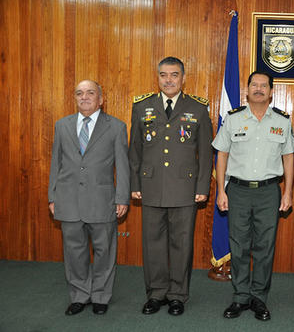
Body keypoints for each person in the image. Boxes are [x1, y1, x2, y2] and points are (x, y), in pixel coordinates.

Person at [128, 56, 213, 316]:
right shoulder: (142, 106)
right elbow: (135, 149)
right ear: (158, 77)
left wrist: (202, 187)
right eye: (164, 75)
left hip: (185, 187)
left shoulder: (197, 108)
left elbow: (206, 152)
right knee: (153, 243)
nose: (168, 80)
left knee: (182, 243)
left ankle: (177, 294)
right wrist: (135, 183)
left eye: (174, 75)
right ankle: (156, 294)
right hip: (151, 184)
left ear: (183, 78)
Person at [213, 71, 294, 321]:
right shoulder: (233, 119)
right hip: (237, 190)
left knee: (264, 246)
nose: (259, 89)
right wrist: (220, 191)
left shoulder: (282, 121)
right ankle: (240, 296)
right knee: (238, 245)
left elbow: (289, 157)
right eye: (254, 85)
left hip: (269, 191)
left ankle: (259, 297)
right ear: (247, 90)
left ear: (271, 92)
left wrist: (289, 192)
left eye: (264, 86)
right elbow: (222, 155)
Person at [48, 80, 130, 316]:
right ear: (75, 98)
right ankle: (79, 295)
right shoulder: (62, 125)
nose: (84, 97)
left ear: (101, 99)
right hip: (68, 199)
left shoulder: (115, 127)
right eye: (79, 93)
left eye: (90, 93)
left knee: (105, 250)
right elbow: (57, 162)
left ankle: (101, 296)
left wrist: (122, 197)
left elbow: (122, 167)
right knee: (74, 251)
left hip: (102, 200)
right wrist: (52, 196)